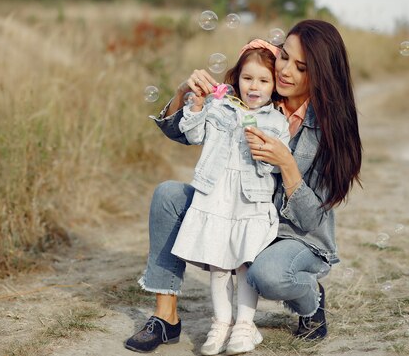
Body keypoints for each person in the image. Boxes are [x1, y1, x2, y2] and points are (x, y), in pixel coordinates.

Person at [124, 19, 362, 354]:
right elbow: (181, 132)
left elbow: (311, 219)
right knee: (168, 195)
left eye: (301, 67)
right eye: (284, 58)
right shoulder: (252, 92)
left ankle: (311, 300)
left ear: (321, 74)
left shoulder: (330, 130)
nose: (284, 72)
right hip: (236, 210)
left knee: (267, 275)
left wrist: (288, 164)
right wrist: (183, 93)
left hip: (294, 234)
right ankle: (166, 318)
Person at [169, 40, 290, 355]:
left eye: (264, 80)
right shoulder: (219, 107)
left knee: (244, 265)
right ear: (236, 78)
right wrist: (195, 108)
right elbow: (194, 135)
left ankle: (244, 326)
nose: (254, 86)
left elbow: (273, 168)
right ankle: (221, 322)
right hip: (216, 196)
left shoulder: (277, 121)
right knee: (220, 264)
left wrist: (262, 148)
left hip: (251, 201)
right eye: (248, 78)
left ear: (275, 86)